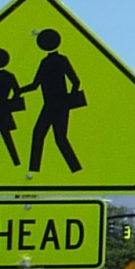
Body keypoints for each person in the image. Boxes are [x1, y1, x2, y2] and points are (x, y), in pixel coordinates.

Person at [27, 28, 83, 174]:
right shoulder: (47, 61)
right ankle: (35, 170)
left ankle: (75, 169)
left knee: (51, 136)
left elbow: (76, 81)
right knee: (50, 136)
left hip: (56, 105)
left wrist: (68, 100)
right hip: (53, 105)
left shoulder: (54, 61)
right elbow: (35, 85)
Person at [0, 47, 21, 167]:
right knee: (7, 137)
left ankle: (16, 163)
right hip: (4, 109)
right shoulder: (9, 76)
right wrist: (10, 102)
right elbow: (17, 91)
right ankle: (16, 162)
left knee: (7, 137)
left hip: (3, 110)